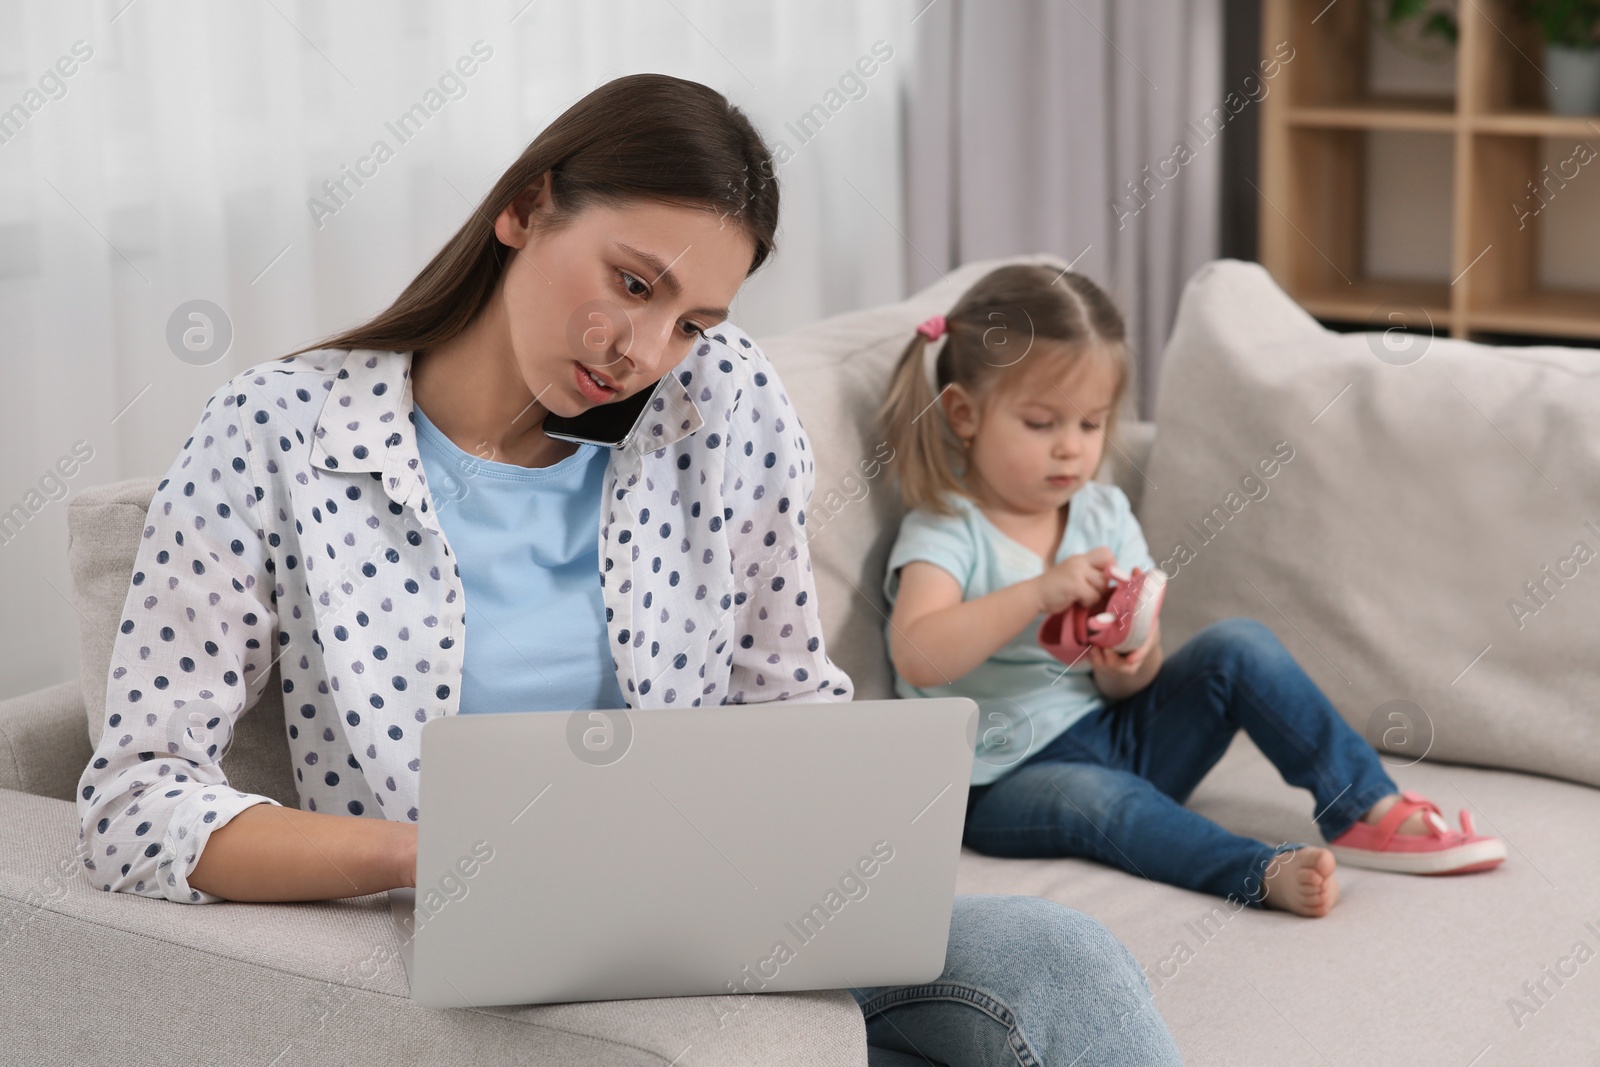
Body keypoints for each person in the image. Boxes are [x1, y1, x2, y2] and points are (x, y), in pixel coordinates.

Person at [74, 74, 1184, 1066]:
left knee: (1058, 954)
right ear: (524, 206)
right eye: (633, 283)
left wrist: (848, 850)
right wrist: (432, 853)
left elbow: (785, 700)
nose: (643, 354)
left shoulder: (727, 401)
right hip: (477, 946)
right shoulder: (279, 431)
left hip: (722, 910)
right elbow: (135, 802)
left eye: (694, 318)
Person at [876, 264, 1508, 919]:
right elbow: (919, 654)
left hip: (1119, 733)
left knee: (1240, 644)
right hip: (1002, 778)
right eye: (1041, 424)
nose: (1071, 449)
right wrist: (1037, 592)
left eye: (1090, 425)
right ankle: (1255, 869)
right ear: (964, 413)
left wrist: (1127, 658)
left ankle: (1366, 808)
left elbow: (1133, 680)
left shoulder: (1101, 514)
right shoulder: (947, 527)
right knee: (1105, 804)